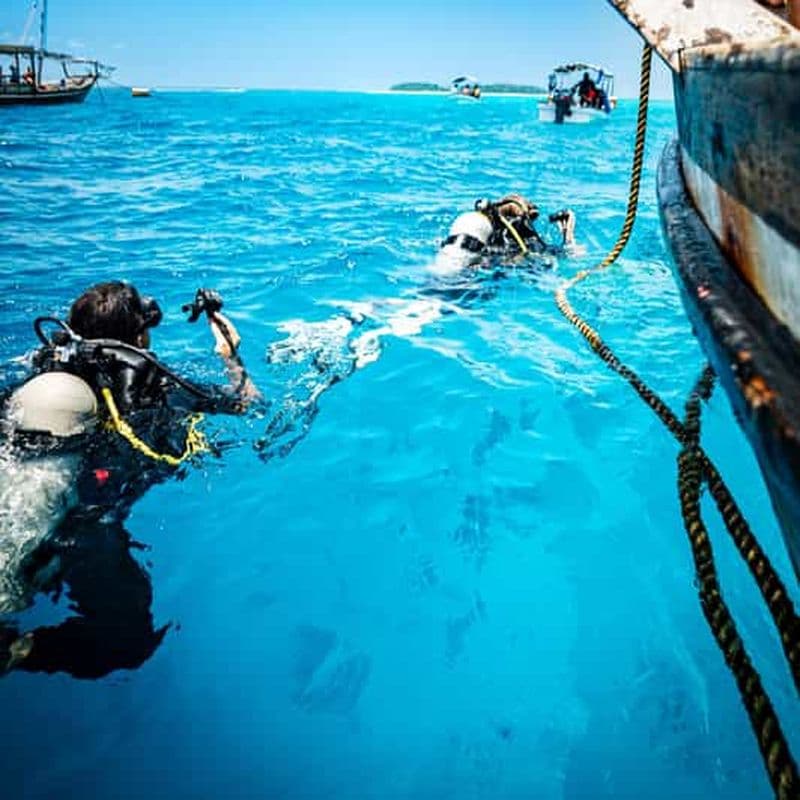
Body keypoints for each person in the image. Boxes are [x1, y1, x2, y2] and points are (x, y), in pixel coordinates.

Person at [0, 281, 260, 678]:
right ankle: (16, 652)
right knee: (129, 640)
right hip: (82, 527)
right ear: (140, 337)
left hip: (27, 500)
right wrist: (231, 355)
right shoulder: (160, 392)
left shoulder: (40, 381)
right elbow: (249, 403)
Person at [435, 193, 576, 273]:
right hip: (482, 276)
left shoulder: (490, 233)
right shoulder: (524, 234)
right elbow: (570, 255)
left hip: (453, 265)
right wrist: (568, 233)